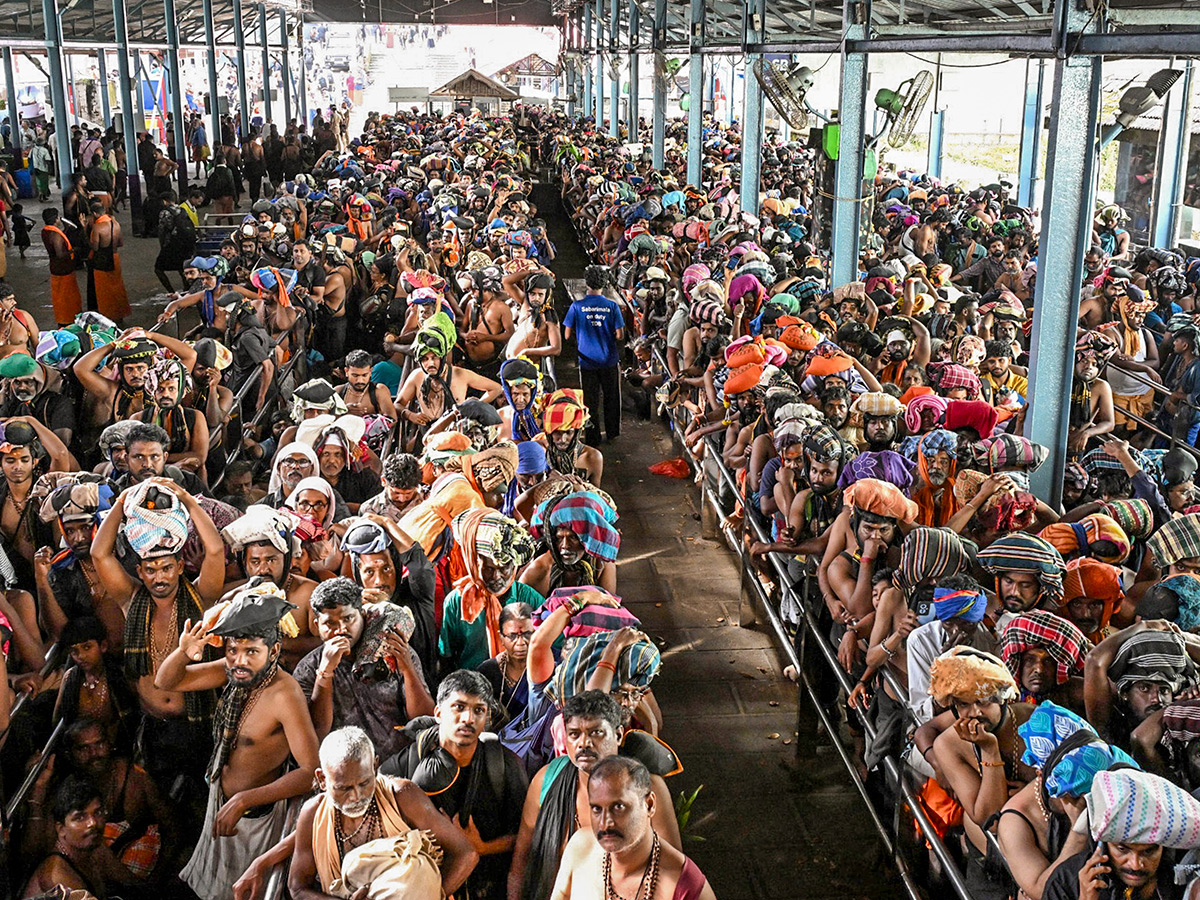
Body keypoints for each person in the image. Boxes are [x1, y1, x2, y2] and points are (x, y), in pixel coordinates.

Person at [156, 580, 321, 900]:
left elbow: (310, 772)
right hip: (221, 803)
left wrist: (245, 801)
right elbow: (166, 681)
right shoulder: (233, 671)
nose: (240, 660)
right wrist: (183, 651)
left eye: (251, 652)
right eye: (233, 649)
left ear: (273, 651)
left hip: (255, 819)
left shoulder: (284, 695)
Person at [510, 691, 682, 900]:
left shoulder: (646, 787)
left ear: (618, 735)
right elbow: (521, 862)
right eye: (574, 734)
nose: (584, 743)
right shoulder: (546, 780)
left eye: (596, 733)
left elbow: (671, 872)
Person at [382, 670, 530, 900]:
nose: (468, 718)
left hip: (488, 889)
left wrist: (483, 847)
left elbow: (528, 834)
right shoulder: (404, 766)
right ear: (439, 713)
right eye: (459, 707)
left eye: (478, 710)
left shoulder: (504, 764)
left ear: (487, 717)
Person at [293, 577, 433, 759]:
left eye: (348, 618)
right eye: (330, 623)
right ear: (316, 625)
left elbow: (425, 718)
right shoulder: (308, 668)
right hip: (346, 771)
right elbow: (316, 735)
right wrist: (325, 674)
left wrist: (407, 669)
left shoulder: (391, 650)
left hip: (401, 761)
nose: (341, 629)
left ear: (364, 616)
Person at [549, 756, 715, 900]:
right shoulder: (580, 847)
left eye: (619, 807)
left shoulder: (684, 884)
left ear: (649, 805)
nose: (605, 823)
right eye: (597, 809)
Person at [1041, 769, 1200, 900]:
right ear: (1102, 847)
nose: (1135, 865)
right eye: (1123, 850)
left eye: (1149, 851)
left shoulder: (1183, 881)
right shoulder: (1065, 883)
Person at [440, 508, 542, 672]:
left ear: (514, 565)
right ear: (473, 564)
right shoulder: (456, 601)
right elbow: (447, 655)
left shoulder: (531, 600)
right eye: (488, 568)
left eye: (504, 568)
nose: (496, 577)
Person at [21, 775, 139, 899]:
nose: (92, 823)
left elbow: (132, 883)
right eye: (80, 818)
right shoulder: (56, 874)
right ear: (61, 829)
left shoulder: (95, 848)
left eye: (97, 813)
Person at [564, 265, 625, 446]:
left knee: (590, 400)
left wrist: (581, 340)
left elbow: (567, 334)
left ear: (586, 284)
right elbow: (620, 335)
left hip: (587, 362)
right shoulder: (612, 307)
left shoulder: (576, 307)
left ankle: (593, 437)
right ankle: (612, 433)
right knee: (611, 397)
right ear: (604, 284)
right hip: (609, 360)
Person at [42, 208, 82, 326]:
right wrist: (73, 251)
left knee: (60, 295)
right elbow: (59, 254)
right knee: (67, 296)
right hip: (63, 269)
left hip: (55, 268)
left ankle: (63, 318)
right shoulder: (55, 235)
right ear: (55, 219)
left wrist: (65, 231)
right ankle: (67, 318)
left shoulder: (46, 231)